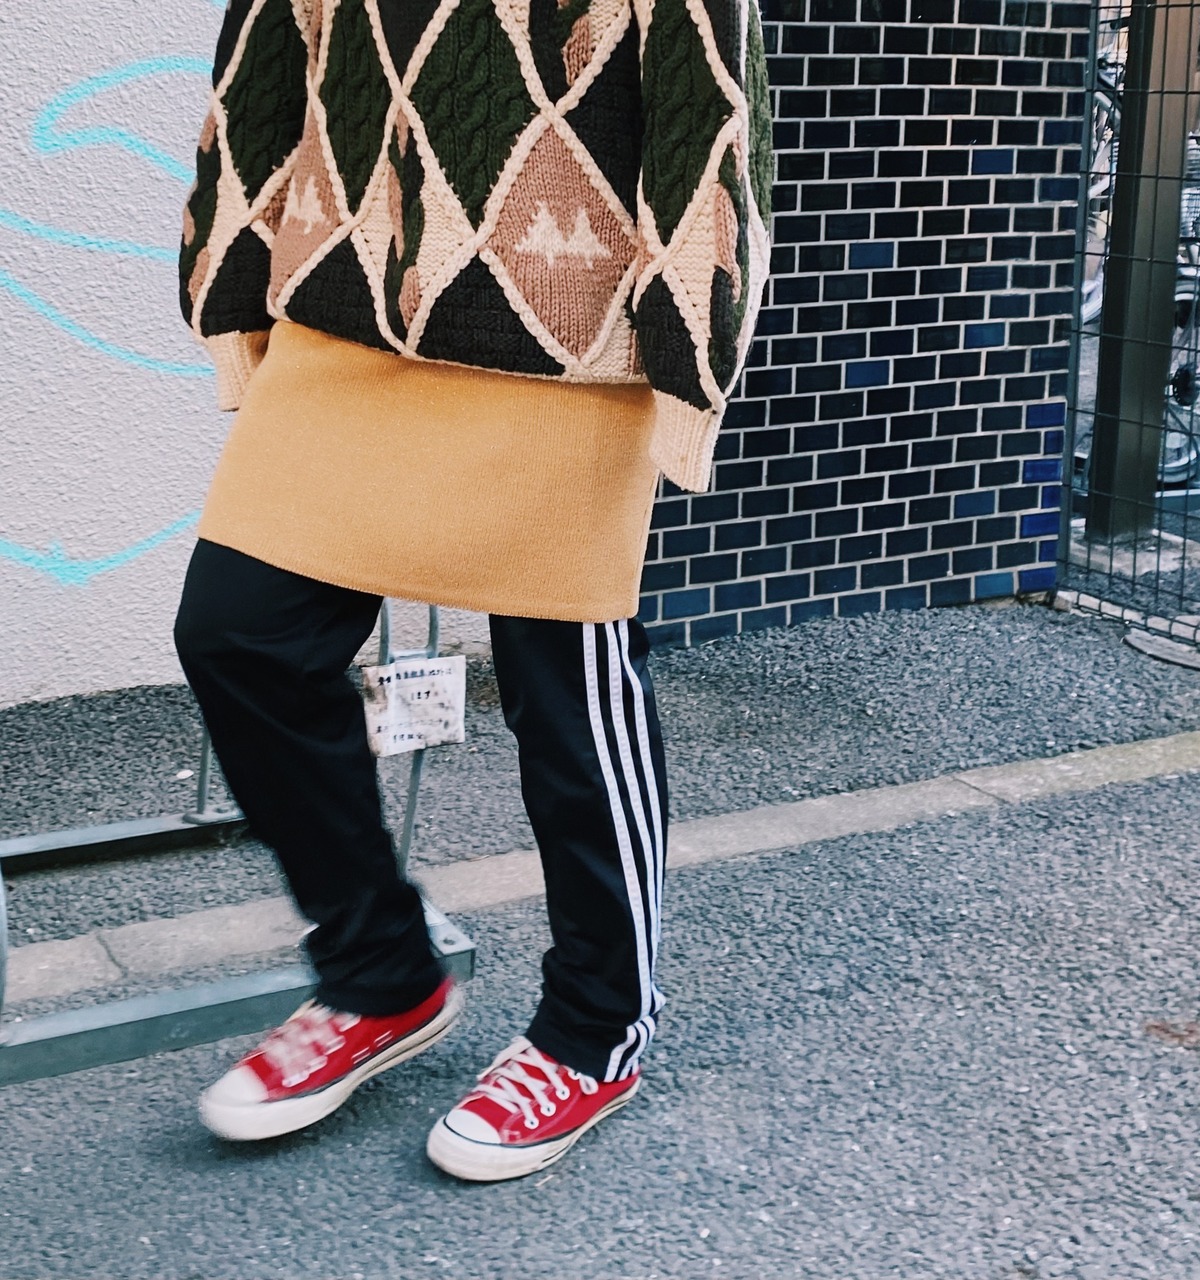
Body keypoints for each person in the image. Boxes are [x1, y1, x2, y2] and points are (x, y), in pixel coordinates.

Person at [173, 0, 771, 1182]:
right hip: (345, 302)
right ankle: (381, 972)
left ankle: (597, 1027)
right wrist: (232, 293)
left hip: (565, 323)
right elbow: (259, 73)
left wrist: (687, 363)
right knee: (238, 633)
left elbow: (708, 111)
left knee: (568, 700)